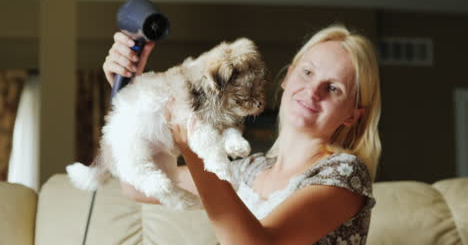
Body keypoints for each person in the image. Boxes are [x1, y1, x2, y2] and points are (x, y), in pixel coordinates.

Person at [103, 24, 381, 245]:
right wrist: (130, 95)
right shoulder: (250, 171)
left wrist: (195, 148)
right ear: (288, 76)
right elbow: (135, 186)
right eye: (307, 72)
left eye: (334, 88)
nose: (313, 90)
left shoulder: (345, 174)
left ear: (352, 114)